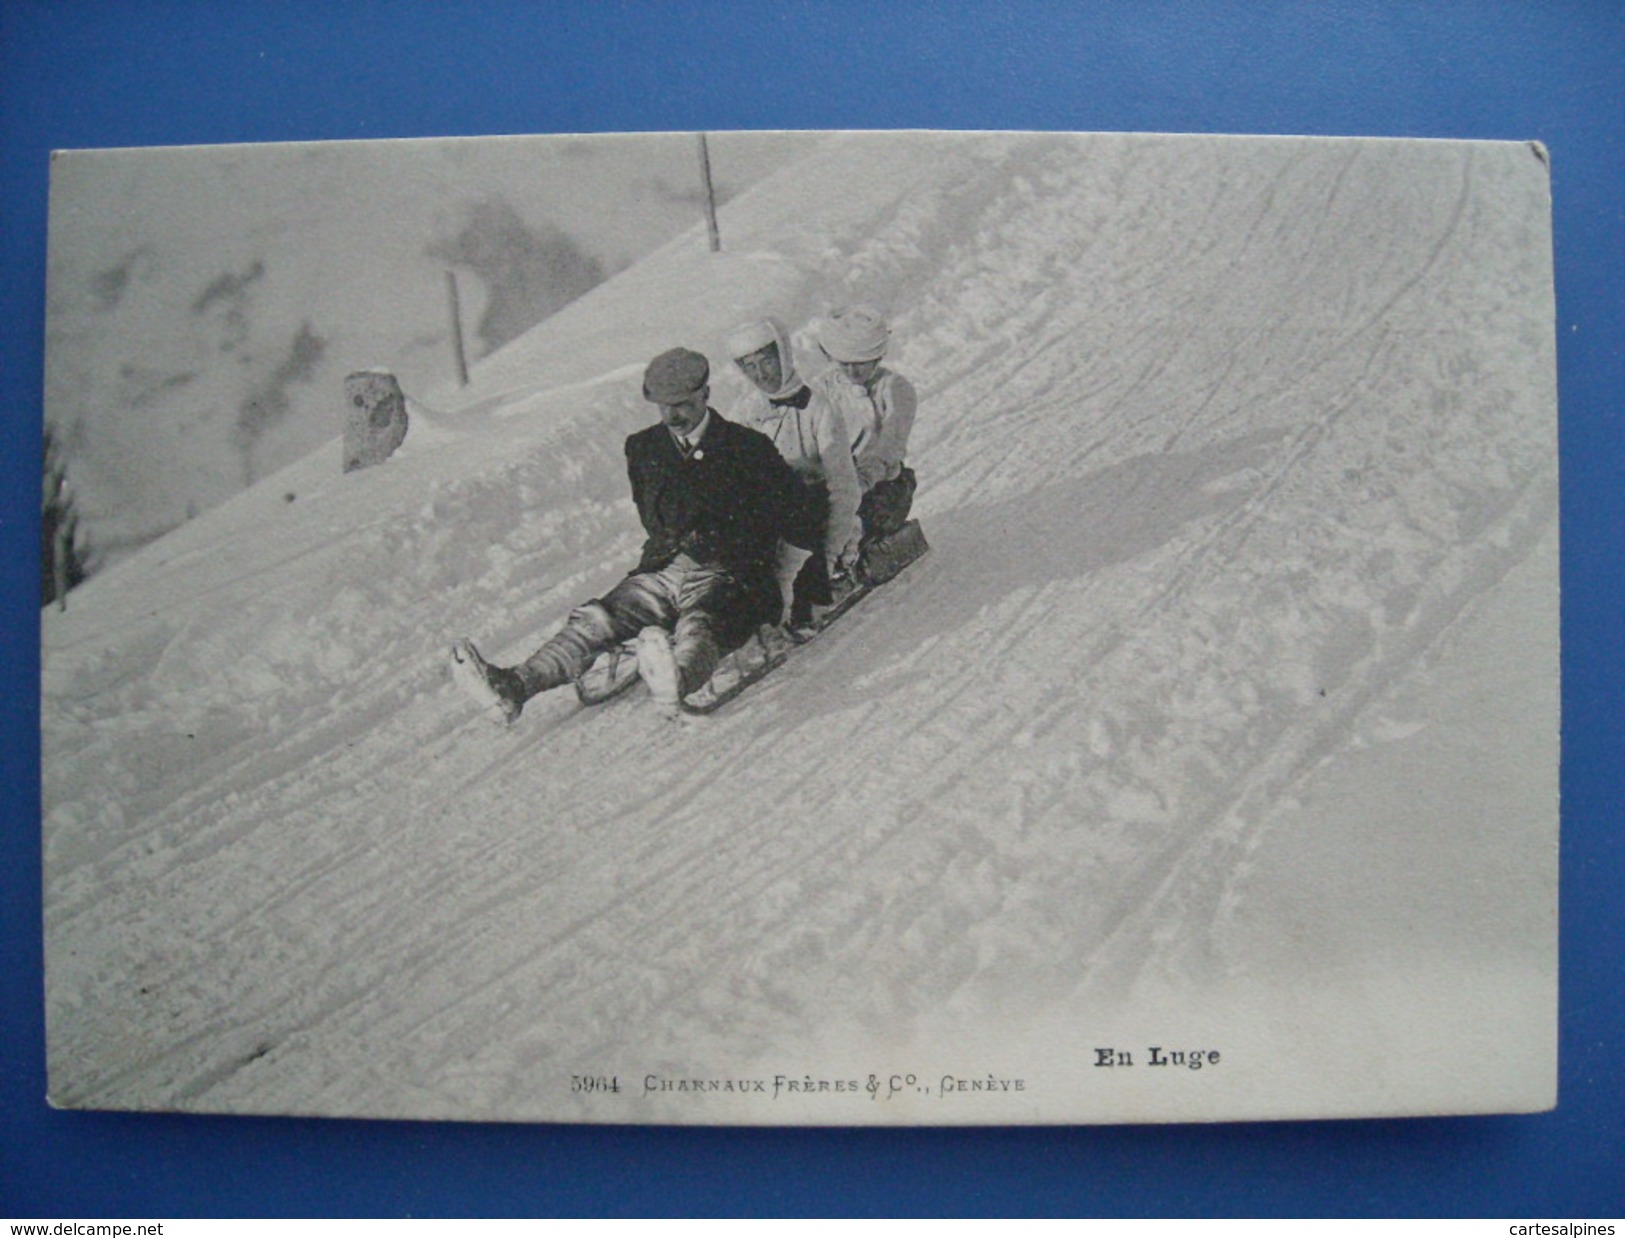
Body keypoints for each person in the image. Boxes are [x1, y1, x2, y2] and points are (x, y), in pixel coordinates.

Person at [452, 346, 815, 719]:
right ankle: (515, 686)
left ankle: (679, 679)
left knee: (700, 622)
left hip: (729, 572)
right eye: (664, 406)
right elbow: (653, 520)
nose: (673, 416)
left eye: (683, 404)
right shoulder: (645, 449)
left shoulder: (748, 448)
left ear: (706, 394)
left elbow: (797, 515)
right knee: (597, 619)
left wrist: (788, 583)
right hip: (663, 570)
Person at [724, 317, 862, 628]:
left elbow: (844, 488)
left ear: (784, 355)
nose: (761, 374)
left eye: (767, 361)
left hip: (812, 513)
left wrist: (828, 554)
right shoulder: (745, 413)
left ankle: (792, 606)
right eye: (750, 367)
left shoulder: (819, 409)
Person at [810, 306, 919, 560]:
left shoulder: (895, 389)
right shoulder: (824, 387)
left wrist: (861, 481)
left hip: (882, 484)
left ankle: (847, 554)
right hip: (837, 485)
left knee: (855, 518)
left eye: (861, 364)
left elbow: (890, 446)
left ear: (877, 356)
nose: (852, 372)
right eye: (844, 364)